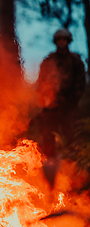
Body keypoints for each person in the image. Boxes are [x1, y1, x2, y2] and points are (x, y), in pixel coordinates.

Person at [35, 28, 86, 158]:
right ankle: (50, 165)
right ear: (55, 42)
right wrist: (45, 102)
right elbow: (41, 83)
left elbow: (80, 84)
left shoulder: (76, 61)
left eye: (64, 39)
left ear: (68, 41)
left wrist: (70, 100)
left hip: (69, 107)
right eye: (59, 39)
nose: (61, 41)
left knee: (72, 136)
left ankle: (74, 165)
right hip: (51, 107)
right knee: (48, 137)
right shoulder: (48, 61)